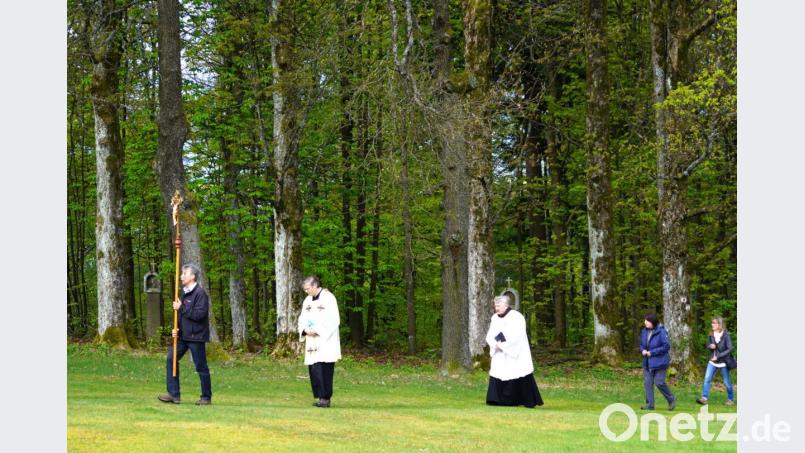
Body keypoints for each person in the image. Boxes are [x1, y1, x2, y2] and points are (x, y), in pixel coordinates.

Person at [158, 264, 212, 405]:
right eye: (181, 273)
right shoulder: (184, 293)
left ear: (192, 276)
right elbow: (182, 316)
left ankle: (206, 397)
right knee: (171, 358)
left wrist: (181, 308)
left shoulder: (200, 294)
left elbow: (199, 315)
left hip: (196, 336)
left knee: (201, 366)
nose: (181, 276)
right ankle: (174, 394)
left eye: (184, 273)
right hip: (183, 337)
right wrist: (176, 329)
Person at [485, 296, 544, 408]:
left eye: (498, 305)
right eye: (495, 305)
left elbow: (517, 335)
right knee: (498, 371)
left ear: (506, 305)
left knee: (517, 371)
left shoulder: (517, 317)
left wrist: (503, 345)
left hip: (514, 351)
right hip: (499, 351)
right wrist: (494, 345)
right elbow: (490, 334)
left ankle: (519, 399)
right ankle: (496, 399)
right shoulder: (495, 318)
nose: (496, 308)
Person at [298, 276, 341, 408]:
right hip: (312, 340)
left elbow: (334, 319)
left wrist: (318, 331)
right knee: (314, 369)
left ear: (315, 285)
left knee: (325, 368)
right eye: (305, 289)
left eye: (308, 289)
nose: (306, 291)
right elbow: (302, 318)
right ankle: (319, 396)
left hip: (325, 340)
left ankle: (325, 398)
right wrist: (304, 330)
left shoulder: (329, 298)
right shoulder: (307, 300)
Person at [639, 313, 676, 411]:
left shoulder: (662, 332)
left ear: (653, 322)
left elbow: (666, 346)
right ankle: (650, 405)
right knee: (648, 383)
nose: (645, 322)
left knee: (659, 383)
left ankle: (671, 399)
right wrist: (642, 350)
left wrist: (652, 352)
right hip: (647, 362)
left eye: (647, 321)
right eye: (645, 320)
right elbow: (642, 344)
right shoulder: (644, 331)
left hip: (660, 362)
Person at [696, 317, 736, 406]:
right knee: (707, 379)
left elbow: (730, 348)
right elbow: (707, 345)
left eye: (714, 323)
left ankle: (730, 399)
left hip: (723, 362)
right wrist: (710, 346)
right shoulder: (711, 334)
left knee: (726, 382)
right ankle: (704, 398)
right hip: (712, 361)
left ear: (719, 325)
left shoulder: (726, 335)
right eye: (712, 323)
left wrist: (718, 356)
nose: (712, 324)